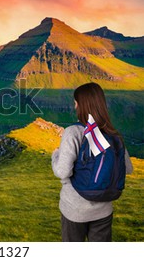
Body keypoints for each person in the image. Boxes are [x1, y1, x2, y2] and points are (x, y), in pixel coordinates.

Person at [51, 82, 133, 242]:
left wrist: (55, 155)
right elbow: (128, 168)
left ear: (82, 105)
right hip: (104, 209)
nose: (74, 106)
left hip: (75, 209)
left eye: (76, 102)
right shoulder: (113, 135)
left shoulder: (74, 132)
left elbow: (62, 172)